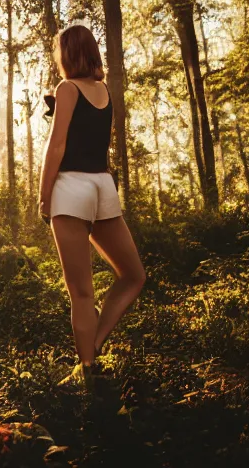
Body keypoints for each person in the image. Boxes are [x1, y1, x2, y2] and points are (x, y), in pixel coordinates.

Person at [38, 24, 146, 389]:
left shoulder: (66, 89)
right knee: (133, 275)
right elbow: (90, 134)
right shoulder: (104, 91)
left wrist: (43, 195)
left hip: (71, 187)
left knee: (82, 293)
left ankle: (87, 369)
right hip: (103, 186)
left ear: (67, 54)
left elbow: (58, 147)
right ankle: (94, 346)